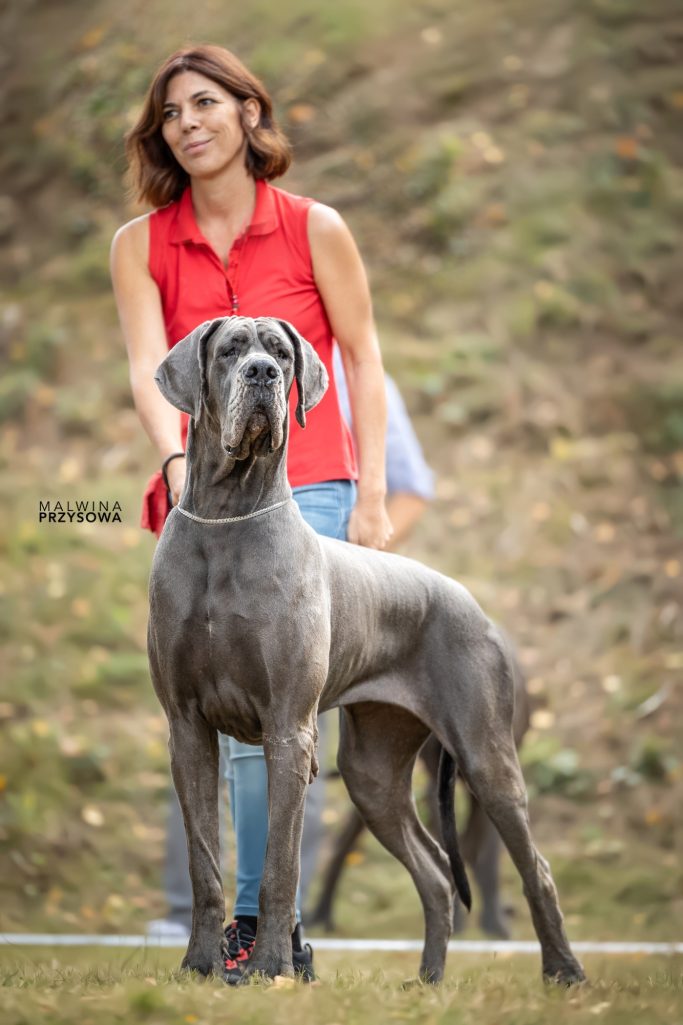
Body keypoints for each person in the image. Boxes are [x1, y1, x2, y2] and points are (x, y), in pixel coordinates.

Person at [110, 44, 392, 983]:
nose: (187, 124)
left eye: (205, 104)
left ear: (247, 112)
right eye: (169, 115)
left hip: (306, 486)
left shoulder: (316, 227)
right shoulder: (139, 245)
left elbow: (360, 357)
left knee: (275, 727)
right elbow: (149, 367)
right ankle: (230, 920)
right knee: (196, 706)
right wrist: (179, 460)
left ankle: (260, 927)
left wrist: (375, 497)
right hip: (195, 492)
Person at [147, 356, 435, 941]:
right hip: (203, 515)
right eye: (234, 353)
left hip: (311, 507)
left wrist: (364, 546)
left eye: (277, 358)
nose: (260, 364)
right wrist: (178, 462)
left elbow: (410, 484)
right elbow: (145, 365)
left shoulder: (336, 363)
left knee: (283, 739)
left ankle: (272, 926)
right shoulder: (191, 327)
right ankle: (194, 917)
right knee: (195, 728)